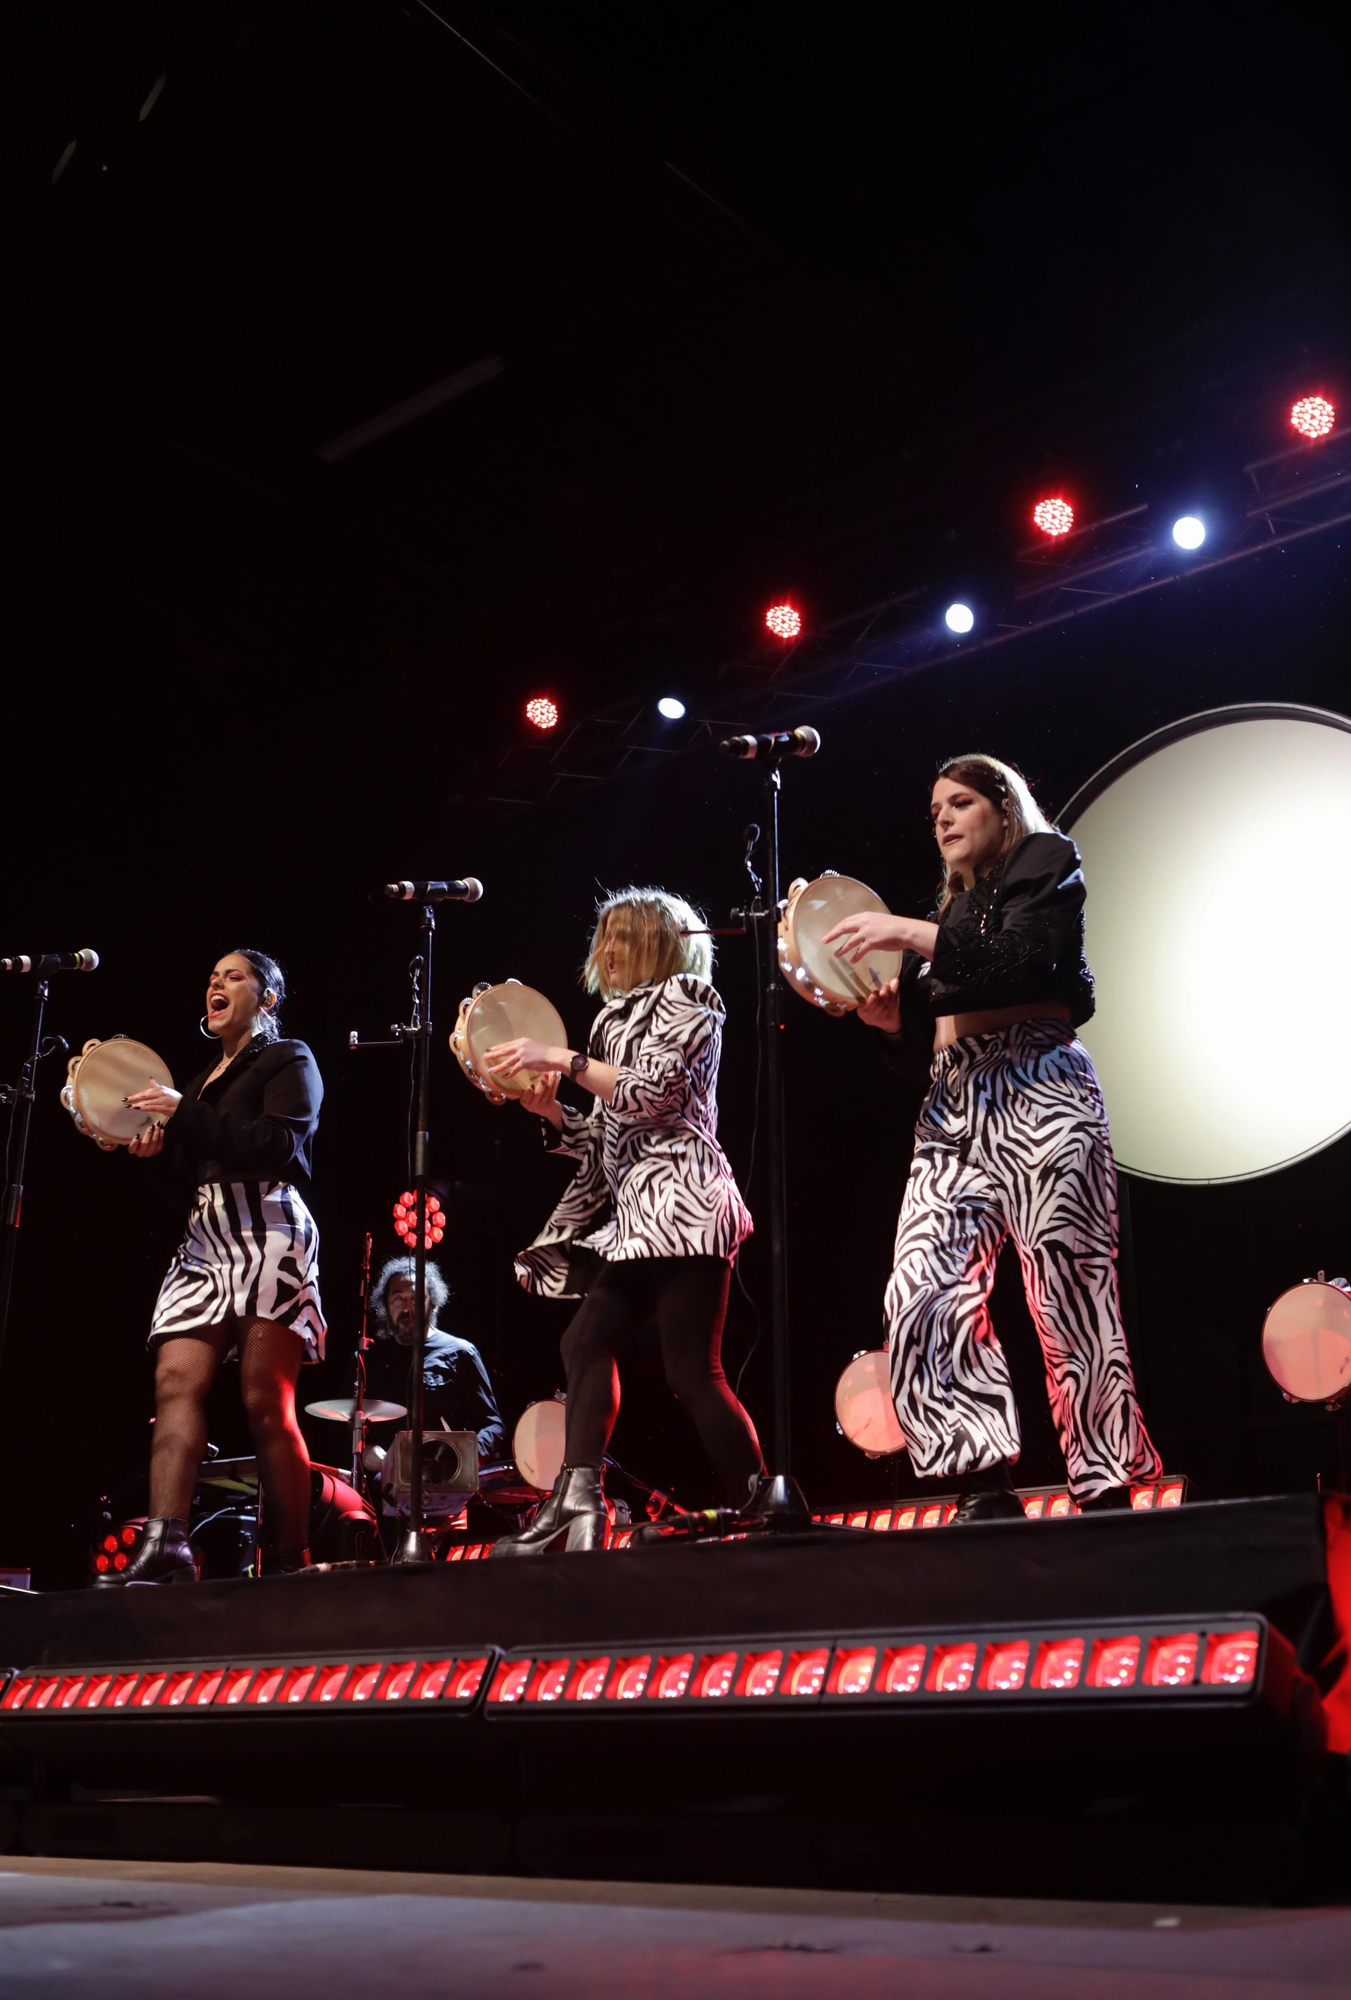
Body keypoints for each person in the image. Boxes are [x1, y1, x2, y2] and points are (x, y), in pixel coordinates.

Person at [823, 755, 1160, 1521]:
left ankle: (1103, 1476)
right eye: (934, 808)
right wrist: (891, 1027)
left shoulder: (1044, 862)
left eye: (960, 802)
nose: (942, 817)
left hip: (1038, 1080)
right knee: (920, 1290)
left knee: (1067, 1290)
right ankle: (979, 1470)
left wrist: (911, 933)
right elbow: (926, 1050)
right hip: (952, 1102)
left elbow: (1024, 961)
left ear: (1003, 809)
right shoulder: (952, 908)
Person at [483, 886, 763, 1554]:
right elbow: (606, 1139)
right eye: (602, 937)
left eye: (623, 936)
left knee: (679, 1369)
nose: (606, 950)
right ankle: (582, 1500)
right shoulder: (611, 1023)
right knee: (608, 1348)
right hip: (643, 1217)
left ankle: (754, 1499)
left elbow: (656, 1096)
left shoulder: (692, 1000)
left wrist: (564, 1061)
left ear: (660, 944)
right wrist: (551, 1114)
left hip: (687, 1205)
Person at [100, 949, 326, 1584]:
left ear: (268, 999)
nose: (215, 986)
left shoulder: (289, 1059)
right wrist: (154, 1156)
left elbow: (280, 1145)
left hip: (270, 1228)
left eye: (233, 977)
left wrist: (184, 1113)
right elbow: (189, 1183)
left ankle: (289, 1560)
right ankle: (165, 1543)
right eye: (210, 979)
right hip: (206, 1235)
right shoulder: (198, 1081)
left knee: (264, 1399)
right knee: (174, 1381)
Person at [366, 1256, 505, 1497]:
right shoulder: (368, 1359)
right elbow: (338, 1427)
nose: (407, 1308)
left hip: (446, 1483)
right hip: (382, 1484)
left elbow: (493, 1425)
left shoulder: (461, 1353)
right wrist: (363, 1449)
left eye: (416, 1298)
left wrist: (462, 1460)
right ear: (385, 1306)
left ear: (434, 1302)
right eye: (398, 1298)